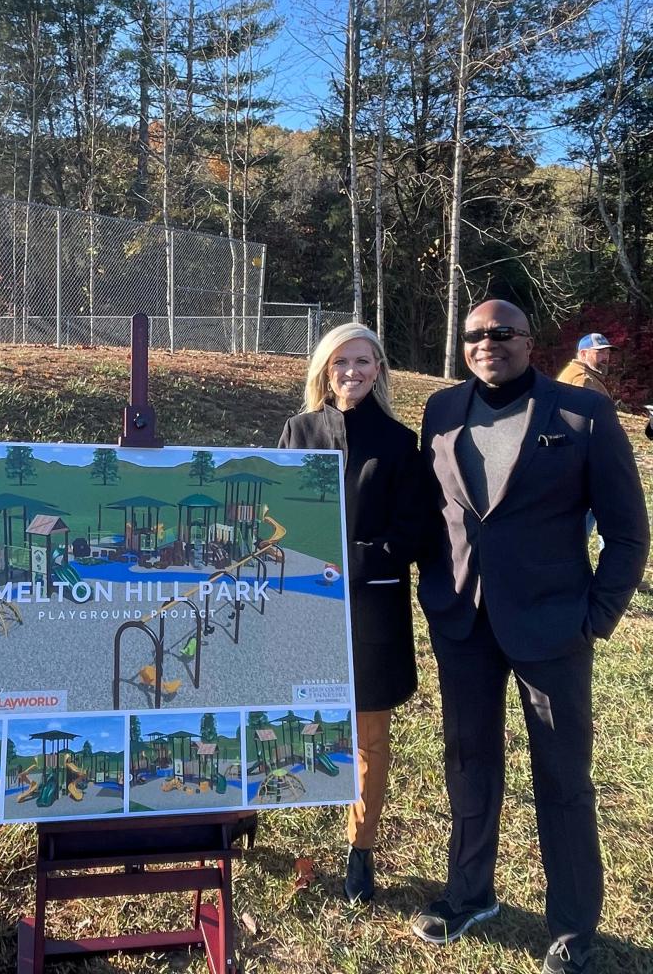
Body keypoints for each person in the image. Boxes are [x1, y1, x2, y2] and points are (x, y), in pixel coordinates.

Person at [413, 299, 649, 974]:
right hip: (463, 620)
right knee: (468, 762)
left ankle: (574, 926)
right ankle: (469, 893)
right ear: (462, 347)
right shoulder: (441, 410)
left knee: (563, 776)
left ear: (528, 341)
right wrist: (431, 586)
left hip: (553, 626)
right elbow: (435, 512)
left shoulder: (582, 413)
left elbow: (629, 531)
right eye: (475, 335)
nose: (488, 343)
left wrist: (596, 615)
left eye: (502, 333)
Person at [278, 323, 429, 904]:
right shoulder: (299, 431)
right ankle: (248, 815)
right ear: (323, 368)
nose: (351, 372)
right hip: (302, 605)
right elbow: (280, 515)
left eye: (362, 362)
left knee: (368, 735)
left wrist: (350, 563)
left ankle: (360, 848)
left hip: (372, 605)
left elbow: (412, 531)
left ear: (380, 368)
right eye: (340, 362)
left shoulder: (398, 442)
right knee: (280, 712)